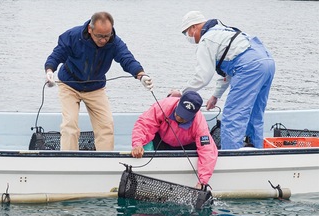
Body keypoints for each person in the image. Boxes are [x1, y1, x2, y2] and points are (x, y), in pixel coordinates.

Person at [44, 11, 153, 151]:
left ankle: (105, 163)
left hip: (95, 87)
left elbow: (127, 59)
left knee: (106, 126)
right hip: (69, 85)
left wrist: (141, 75)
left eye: (107, 36)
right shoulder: (72, 36)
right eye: (99, 36)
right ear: (90, 29)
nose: (103, 40)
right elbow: (57, 54)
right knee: (70, 125)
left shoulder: (115, 42)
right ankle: (69, 162)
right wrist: (49, 71)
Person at [170, 11, 275, 149]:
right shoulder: (223, 31)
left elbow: (203, 76)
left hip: (249, 67)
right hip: (267, 62)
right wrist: (215, 96)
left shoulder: (206, 39)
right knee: (256, 112)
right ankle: (257, 149)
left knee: (232, 116)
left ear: (193, 27)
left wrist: (182, 92)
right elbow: (229, 70)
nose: (187, 37)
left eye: (186, 33)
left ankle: (231, 156)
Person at [131, 91, 218, 189]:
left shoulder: (200, 124)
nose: (179, 117)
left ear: (193, 115)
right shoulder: (164, 105)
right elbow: (144, 124)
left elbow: (207, 151)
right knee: (144, 142)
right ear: (178, 103)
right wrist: (137, 144)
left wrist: (202, 182)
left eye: (184, 117)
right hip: (161, 140)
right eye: (179, 112)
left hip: (186, 146)